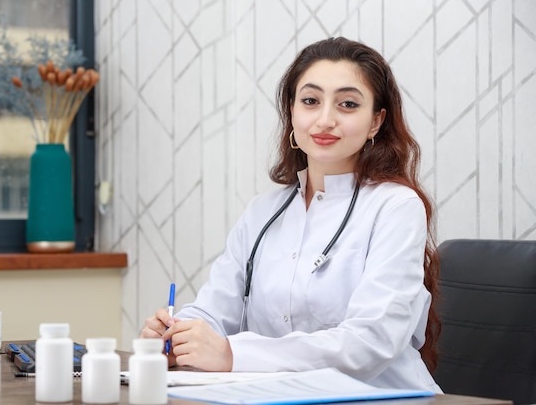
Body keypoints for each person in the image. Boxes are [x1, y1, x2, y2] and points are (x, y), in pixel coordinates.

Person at [141, 37, 442, 393]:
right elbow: (214, 309)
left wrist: (231, 354)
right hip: (274, 397)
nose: (325, 119)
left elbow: (369, 342)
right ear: (292, 112)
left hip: (380, 397)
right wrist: (178, 334)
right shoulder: (262, 212)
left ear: (376, 122)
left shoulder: (396, 208)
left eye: (347, 104)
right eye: (310, 101)